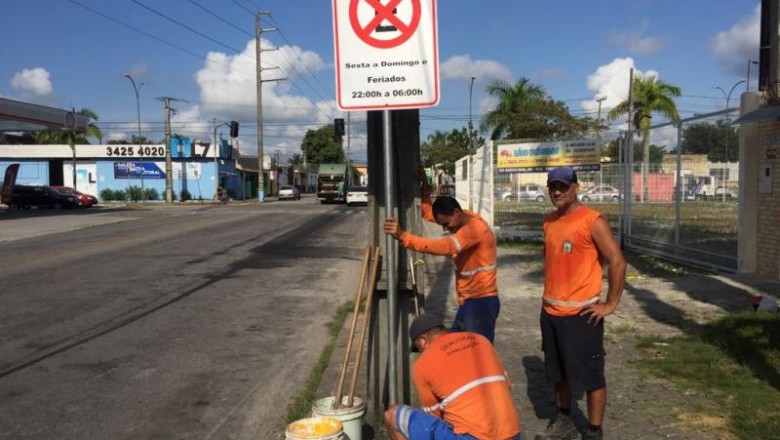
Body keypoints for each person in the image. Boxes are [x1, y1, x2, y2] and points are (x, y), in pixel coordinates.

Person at [535, 167, 626, 440]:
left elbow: (618, 262)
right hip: (550, 312)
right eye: (553, 186)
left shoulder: (592, 220)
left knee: (590, 377)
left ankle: (593, 430)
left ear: (576, 187)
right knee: (558, 373)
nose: (557, 192)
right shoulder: (549, 221)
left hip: (581, 316)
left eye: (563, 186)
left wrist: (610, 304)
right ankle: (563, 419)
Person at [383, 168, 500, 342]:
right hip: (469, 300)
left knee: (479, 354)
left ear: (457, 213)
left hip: (480, 301)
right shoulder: (461, 217)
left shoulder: (474, 229)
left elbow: (444, 247)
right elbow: (429, 213)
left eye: (447, 224)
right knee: (458, 346)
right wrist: (425, 187)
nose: (445, 229)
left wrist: (403, 236)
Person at [384, 313, 522, 440]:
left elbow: (434, 417)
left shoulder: (422, 364)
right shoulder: (482, 340)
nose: (420, 353)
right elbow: (506, 386)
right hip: (512, 433)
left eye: (417, 348)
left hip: (474, 437)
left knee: (393, 414)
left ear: (423, 341)